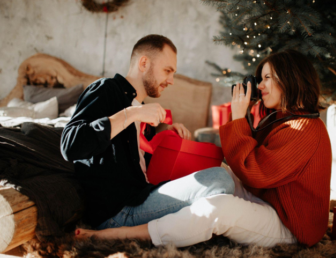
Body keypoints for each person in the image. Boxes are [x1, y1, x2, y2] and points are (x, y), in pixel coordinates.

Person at [75, 49, 332, 248]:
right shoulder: (281, 118)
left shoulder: (306, 129)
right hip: (268, 198)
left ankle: (123, 233)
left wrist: (239, 117)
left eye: (266, 79)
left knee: (218, 209)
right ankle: (186, 224)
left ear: (289, 80)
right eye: (260, 79)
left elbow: (254, 171)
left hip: (289, 224)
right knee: (216, 170)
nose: (261, 85)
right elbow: (246, 162)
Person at [61, 34, 235, 232]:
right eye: (167, 71)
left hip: (143, 196)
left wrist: (166, 140)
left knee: (225, 173)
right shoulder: (105, 90)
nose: (171, 81)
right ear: (144, 63)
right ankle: (118, 235)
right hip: (118, 210)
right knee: (221, 179)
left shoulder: (143, 111)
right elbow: (70, 146)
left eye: (173, 73)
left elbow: (142, 168)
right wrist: (132, 114)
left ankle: (166, 231)